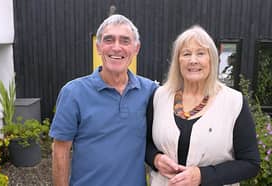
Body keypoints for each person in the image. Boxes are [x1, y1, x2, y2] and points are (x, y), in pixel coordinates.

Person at [49, 14, 157, 186]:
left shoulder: (150, 91)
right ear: (98, 47)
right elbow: (60, 149)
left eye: (125, 41)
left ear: (136, 48)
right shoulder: (73, 92)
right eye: (109, 40)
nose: (116, 47)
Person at [145, 25, 260, 186]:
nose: (193, 60)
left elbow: (251, 163)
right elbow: (145, 142)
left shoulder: (234, 102)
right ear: (178, 61)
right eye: (186, 54)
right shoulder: (160, 97)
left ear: (211, 60)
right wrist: (155, 159)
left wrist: (202, 176)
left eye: (200, 53)